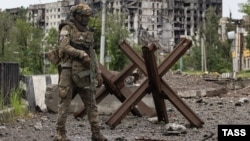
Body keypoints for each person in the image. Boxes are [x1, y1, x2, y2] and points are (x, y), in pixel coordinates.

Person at [54, 4, 107, 141]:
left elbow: (92, 53)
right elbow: (63, 46)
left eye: (88, 16)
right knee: (64, 102)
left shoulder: (88, 31)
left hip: (84, 72)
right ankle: (60, 134)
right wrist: (80, 54)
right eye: (85, 16)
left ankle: (96, 133)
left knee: (91, 103)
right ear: (77, 16)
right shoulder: (67, 28)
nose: (87, 19)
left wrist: (98, 72)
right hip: (68, 70)